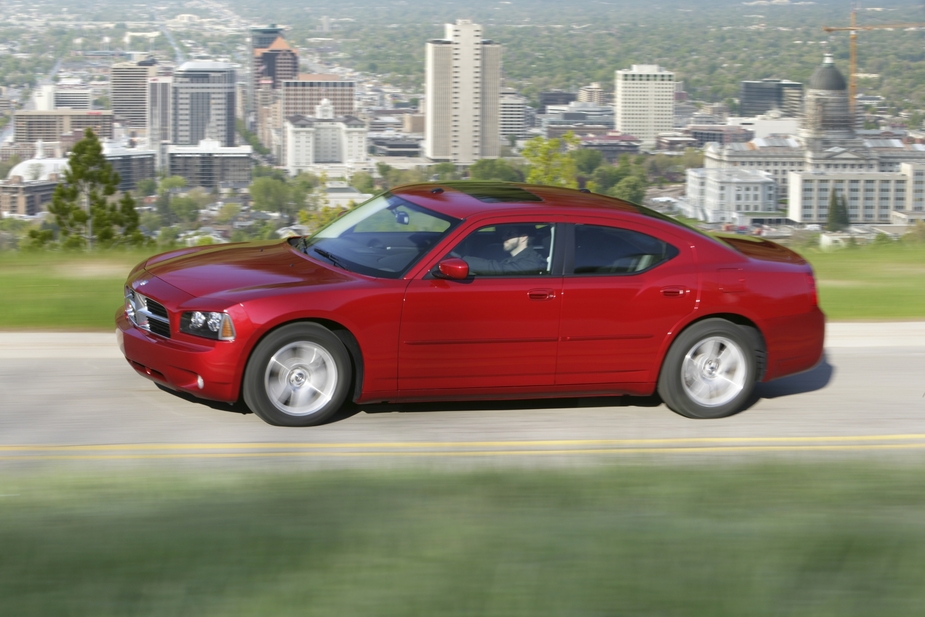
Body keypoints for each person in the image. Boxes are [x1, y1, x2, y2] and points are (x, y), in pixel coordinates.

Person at [460, 225, 547, 275]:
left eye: (509, 234)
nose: (503, 237)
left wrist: (462, 260)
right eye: (504, 233)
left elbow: (496, 269)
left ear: (523, 238)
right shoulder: (514, 257)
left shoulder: (530, 263)